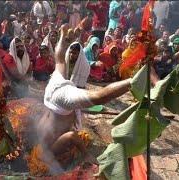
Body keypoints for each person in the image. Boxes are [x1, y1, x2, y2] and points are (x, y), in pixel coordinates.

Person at [37, 24, 159, 169]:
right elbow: (70, 135)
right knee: (60, 63)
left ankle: (137, 78)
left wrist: (85, 154)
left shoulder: (48, 148)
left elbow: (71, 136)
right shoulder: (41, 135)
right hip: (50, 93)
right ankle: (63, 33)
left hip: (59, 100)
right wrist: (83, 151)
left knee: (98, 97)